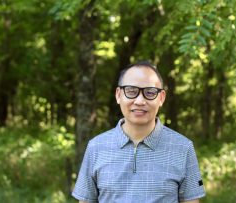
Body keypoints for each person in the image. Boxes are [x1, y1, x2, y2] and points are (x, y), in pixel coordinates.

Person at [72, 61, 206, 203]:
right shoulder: (96, 147)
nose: (140, 101)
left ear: (161, 98)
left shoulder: (183, 148)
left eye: (149, 92)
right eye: (131, 91)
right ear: (118, 95)